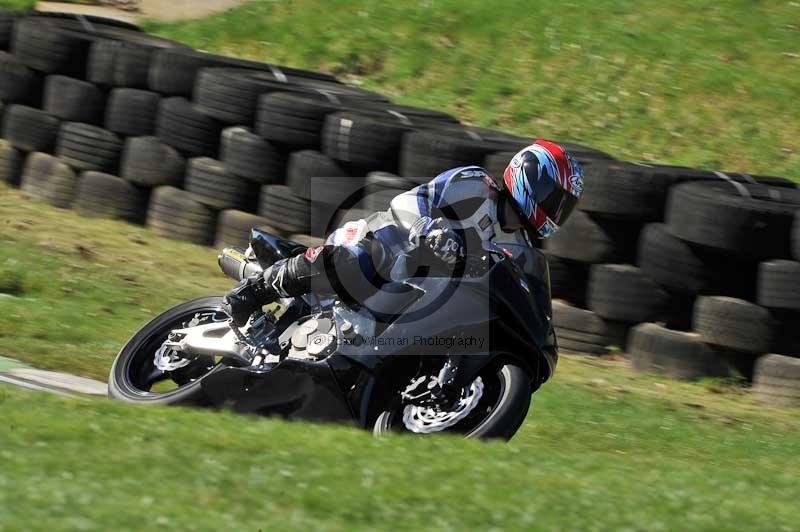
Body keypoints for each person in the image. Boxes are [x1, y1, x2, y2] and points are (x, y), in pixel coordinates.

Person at [222, 139, 584, 329]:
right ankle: (254, 292)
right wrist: (429, 229)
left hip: (426, 297)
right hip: (390, 245)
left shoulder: (518, 246)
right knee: (365, 259)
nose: (555, 211)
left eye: (562, 206)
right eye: (554, 199)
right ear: (530, 177)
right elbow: (412, 201)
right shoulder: (476, 185)